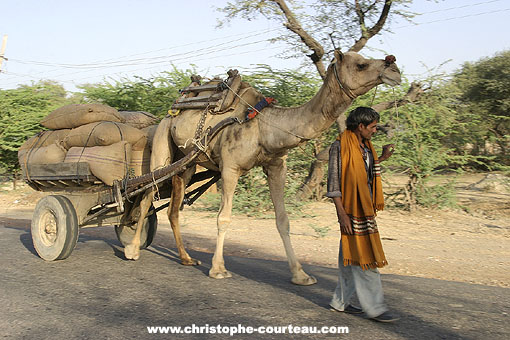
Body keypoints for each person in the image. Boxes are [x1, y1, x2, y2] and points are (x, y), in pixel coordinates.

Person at [326, 106, 398, 323]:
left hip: (365, 208)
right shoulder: (339, 147)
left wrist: (382, 157)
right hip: (351, 210)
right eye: (373, 127)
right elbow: (334, 184)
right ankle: (376, 307)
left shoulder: (365, 148)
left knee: (349, 256)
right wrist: (342, 215)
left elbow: (364, 173)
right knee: (366, 258)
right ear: (361, 126)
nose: (375, 131)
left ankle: (340, 302)